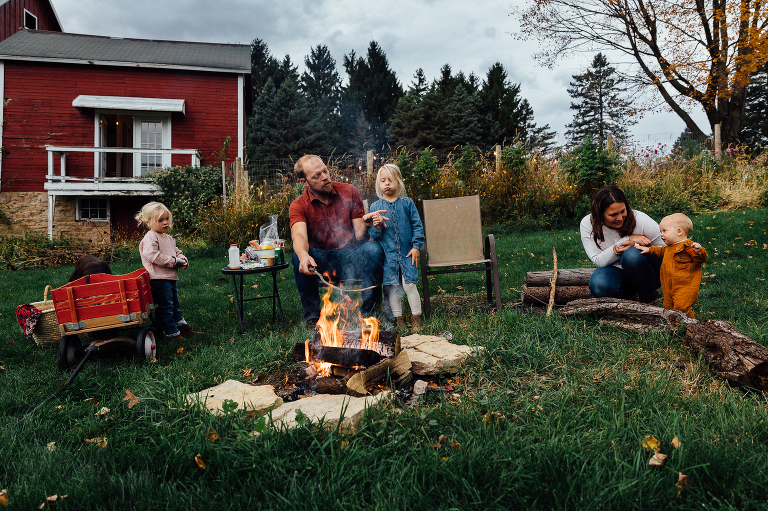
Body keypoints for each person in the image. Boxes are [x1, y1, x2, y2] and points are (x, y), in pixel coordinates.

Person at [289, 155, 386, 327]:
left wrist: (367, 223)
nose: (325, 177)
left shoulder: (349, 191)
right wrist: (304, 255)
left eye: (325, 171)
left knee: (373, 249)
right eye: (316, 176)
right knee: (298, 257)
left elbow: (359, 235)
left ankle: (368, 314)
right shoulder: (298, 205)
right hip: (321, 261)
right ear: (304, 182)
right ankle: (313, 318)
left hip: (351, 256)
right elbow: (299, 236)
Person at [580, 185, 664, 302]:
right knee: (599, 284)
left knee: (631, 256)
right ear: (599, 214)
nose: (620, 218)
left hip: (648, 271)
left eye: (623, 211)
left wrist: (636, 246)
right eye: (613, 215)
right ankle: (628, 300)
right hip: (615, 271)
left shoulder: (641, 220)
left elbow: (667, 249)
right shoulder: (588, 224)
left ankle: (648, 297)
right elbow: (599, 260)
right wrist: (628, 239)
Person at [368, 164, 425, 332]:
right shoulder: (375, 208)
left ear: (399, 182)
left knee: (409, 285)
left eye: (391, 180)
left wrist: (416, 246)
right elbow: (374, 237)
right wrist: (377, 227)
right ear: (378, 184)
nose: (387, 183)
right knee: (393, 288)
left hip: (408, 253)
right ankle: (399, 319)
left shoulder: (407, 203)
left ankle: (417, 318)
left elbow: (417, 226)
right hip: (388, 256)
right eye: (383, 180)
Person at [135, 201, 192, 339]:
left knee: (174, 304)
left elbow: (177, 252)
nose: (165, 222)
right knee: (166, 306)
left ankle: (181, 328)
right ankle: (171, 333)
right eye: (160, 220)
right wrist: (173, 261)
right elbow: (152, 255)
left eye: (167, 219)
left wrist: (182, 259)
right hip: (158, 279)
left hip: (170, 278)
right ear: (148, 223)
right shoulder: (151, 237)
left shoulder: (169, 238)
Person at [639, 213, 708, 318]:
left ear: (679, 231)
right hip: (668, 287)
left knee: (682, 307)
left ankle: (691, 324)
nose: (661, 235)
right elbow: (660, 251)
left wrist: (699, 251)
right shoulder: (669, 248)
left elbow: (701, 259)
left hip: (684, 287)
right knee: (668, 308)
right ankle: (674, 325)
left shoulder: (688, 247)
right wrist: (649, 249)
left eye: (664, 231)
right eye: (661, 231)